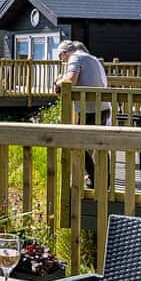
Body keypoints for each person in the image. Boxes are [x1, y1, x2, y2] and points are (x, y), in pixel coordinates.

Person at [54, 40, 111, 187]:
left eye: (61, 56)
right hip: (103, 108)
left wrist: (58, 82)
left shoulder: (75, 58)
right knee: (100, 143)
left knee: (77, 143)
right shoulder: (92, 58)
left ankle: (94, 178)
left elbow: (70, 81)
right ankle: (106, 180)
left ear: (65, 52)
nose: (62, 60)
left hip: (90, 110)